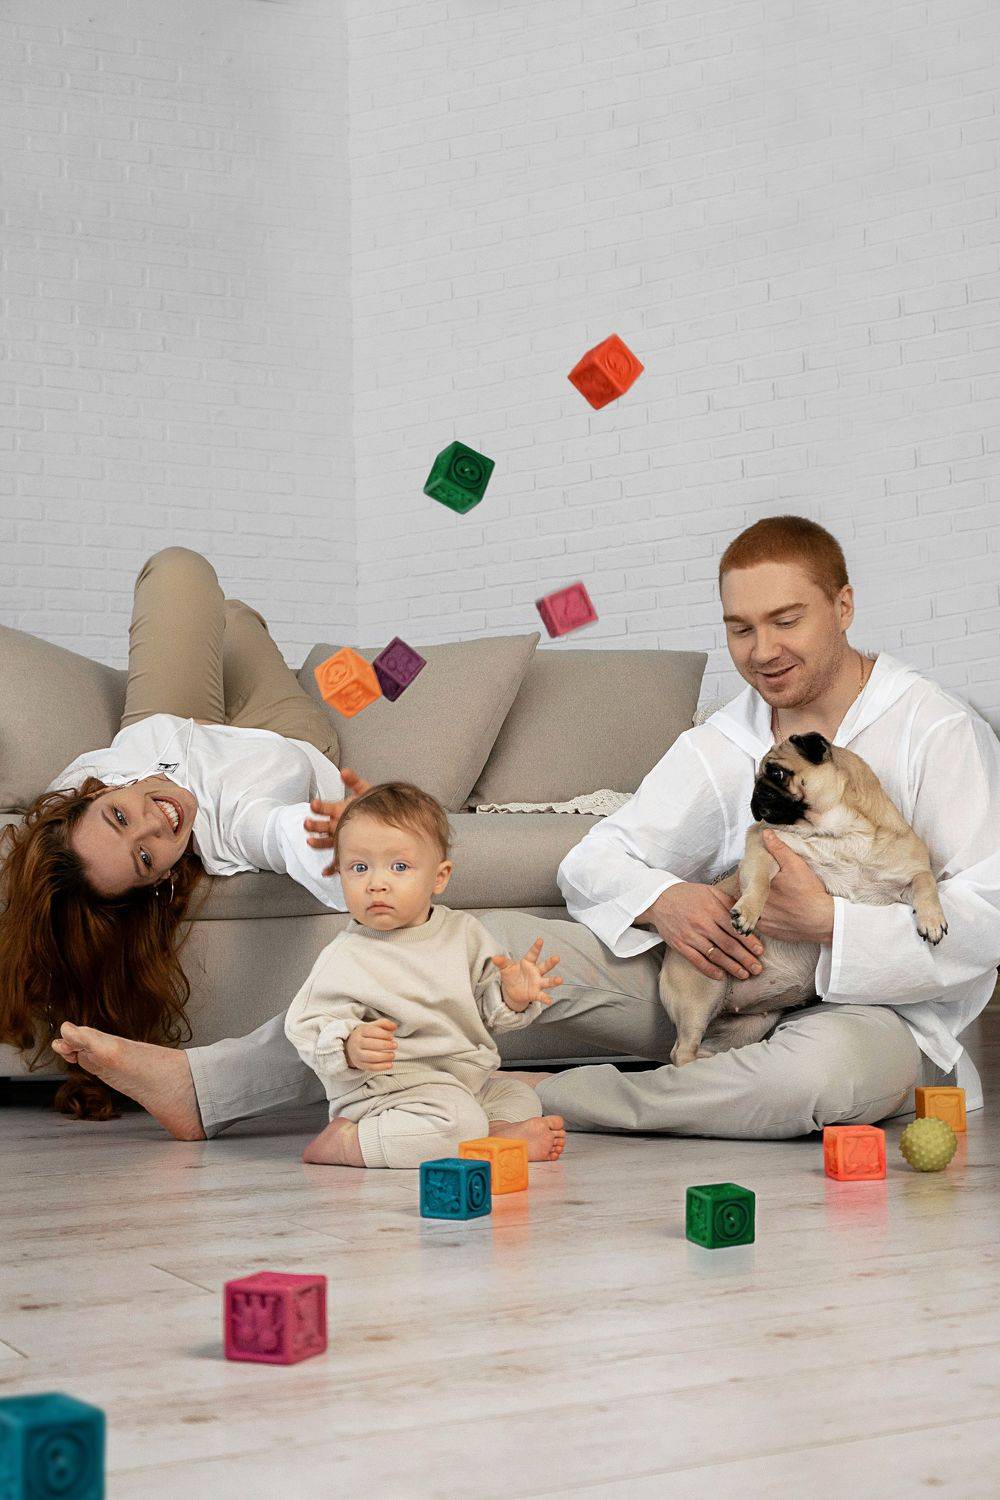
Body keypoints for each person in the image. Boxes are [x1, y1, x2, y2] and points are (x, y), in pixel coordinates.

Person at [50, 516, 1000, 1143]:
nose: (763, 651)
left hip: (872, 1012)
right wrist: (667, 898)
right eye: (740, 629)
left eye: (786, 620)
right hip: (712, 980)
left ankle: (533, 1098)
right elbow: (598, 858)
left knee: (813, 1085)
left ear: (844, 605)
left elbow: (986, 916)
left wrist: (832, 925)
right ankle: (210, 1088)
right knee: (451, 949)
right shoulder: (728, 740)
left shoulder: (936, 729)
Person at [0, 545, 365, 1120]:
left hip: (174, 718)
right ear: (160, 880)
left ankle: (228, 625)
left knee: (179, 569)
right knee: (237, 620)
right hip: (283, 735)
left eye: (119, 818)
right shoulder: (237, 827)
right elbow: (282, 835)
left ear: (90, 795)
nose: (155, 821)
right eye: (145, 857)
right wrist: (348, 844)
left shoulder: (87, 783)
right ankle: (240, 625)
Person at [284, 779, 566, 1168]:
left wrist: (511, 996)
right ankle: (349, 1143)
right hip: (392, 1089)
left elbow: (490, 1011)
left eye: (399, 867)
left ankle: (494, 1134)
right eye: (359, 868)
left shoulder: (464, 933)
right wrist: (348, 1046)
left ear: (439, 877)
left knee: (519, 1096)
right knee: (459, 1120)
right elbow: (305, 1026)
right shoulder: (347, 956)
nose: (376, 884)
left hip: (462, 1081)